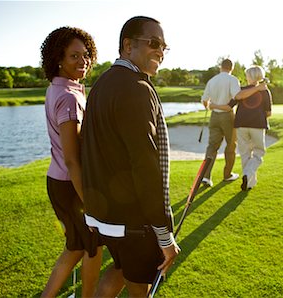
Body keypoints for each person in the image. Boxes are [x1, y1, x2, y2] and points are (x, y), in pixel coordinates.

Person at [81, 16, 180, 297]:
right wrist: (164, 235)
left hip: (105, 216)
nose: (160, 51)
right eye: (153, 43)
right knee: (139, 287)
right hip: (133, 221)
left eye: (164, 46)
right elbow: (145, 164)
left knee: (120, 270)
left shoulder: (103, 83)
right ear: (127, 45)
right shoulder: (136, 88)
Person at [40, 26, 104, 297]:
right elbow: (72, 159)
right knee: (93, 245)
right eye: (74, 56)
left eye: (86, 54)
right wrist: (90, 204)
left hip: (58, 182)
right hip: (71, 185)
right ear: (59, 59)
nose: (83, 61)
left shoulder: (58, 88)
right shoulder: (68, 97)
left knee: (76, 246)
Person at [201, 59, 266, 187]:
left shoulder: (212, 81)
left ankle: (206, 177)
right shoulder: (232, 80)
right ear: (232, 68)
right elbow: (238, 96)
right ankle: (227, 175)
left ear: (220, 67)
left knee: (212, 146)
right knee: (231, 145)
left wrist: (211, 106)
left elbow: (204, 101)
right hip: (227, 116)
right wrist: (258, 88)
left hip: (214, 116)